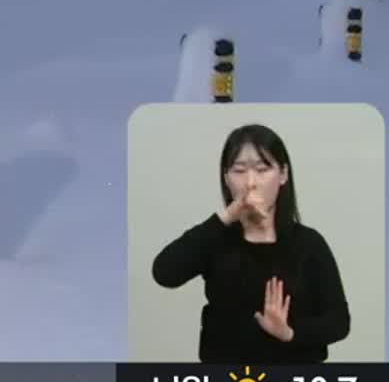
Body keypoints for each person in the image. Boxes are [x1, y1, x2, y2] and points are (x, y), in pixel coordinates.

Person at [150, 123, 351, 363]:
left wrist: (289, 333)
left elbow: (339, 322)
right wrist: (228, 215)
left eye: (262, 169)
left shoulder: (308, 243)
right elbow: (165, 273)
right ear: (226, 178)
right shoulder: (215, 239)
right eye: (239, 170)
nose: (250, 182)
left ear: (283, 174)